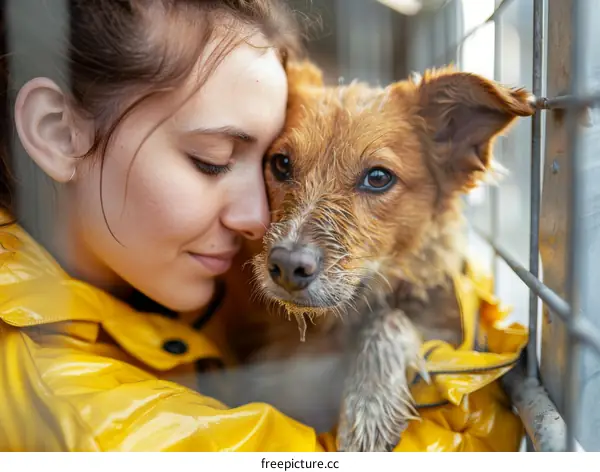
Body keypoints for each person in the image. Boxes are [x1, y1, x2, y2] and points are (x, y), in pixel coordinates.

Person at [0, 0, 526, 452]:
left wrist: (403, 325)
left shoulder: (164, 264)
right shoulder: (68, 405)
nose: (262, 224)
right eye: (211, 159)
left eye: (263, 163)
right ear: (57, 132)